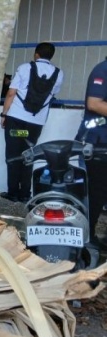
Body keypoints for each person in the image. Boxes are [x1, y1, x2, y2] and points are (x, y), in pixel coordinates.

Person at [1, 42, 64, 202]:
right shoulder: (59, 73)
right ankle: (25, 194)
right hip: (35, 124)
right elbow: (52, 94)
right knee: (28, 154)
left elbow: (11, 93)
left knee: (13, 154)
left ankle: (13, 192)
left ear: (36, 54)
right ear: (51, 56)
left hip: (16, 121)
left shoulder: (24, 68)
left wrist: (4, 114)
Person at [75, 57, 107, 245]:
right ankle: (87, 240)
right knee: (94, 195)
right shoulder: (102, 70)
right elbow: (94, 103)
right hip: (96, 145)